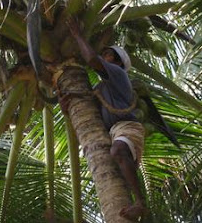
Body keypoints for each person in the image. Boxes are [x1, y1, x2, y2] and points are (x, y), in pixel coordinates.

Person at [60, 20, 149, 221]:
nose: (104, 57)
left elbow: (91, 59)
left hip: (128, 127)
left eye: (108, 55)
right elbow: (87, 110)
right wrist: (67, 105)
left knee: (117, 151)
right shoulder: (102, 88)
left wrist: (77, 34)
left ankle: (141, 203)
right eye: (105, 54)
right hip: (112, 132)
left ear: (117, 62)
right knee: (116, 154)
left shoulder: (118, 74)